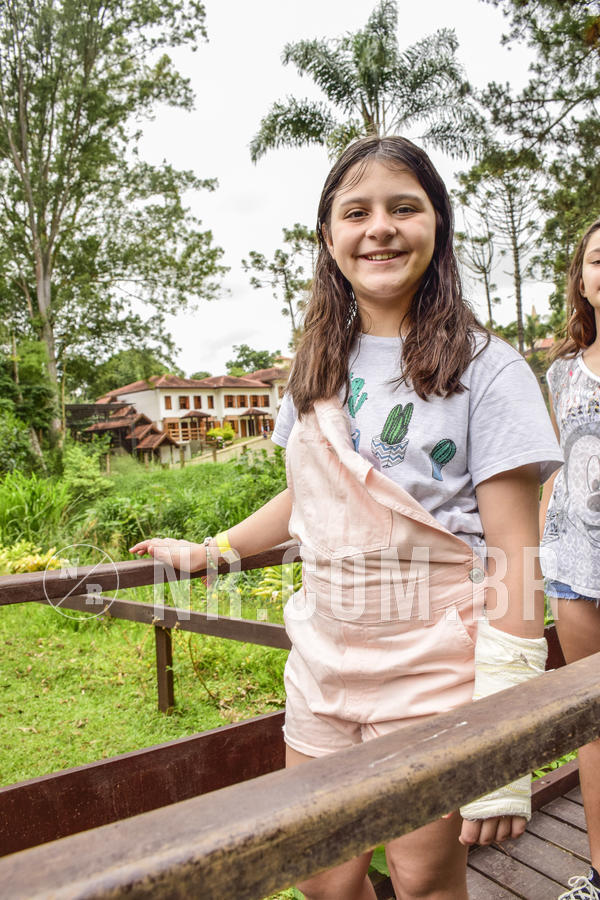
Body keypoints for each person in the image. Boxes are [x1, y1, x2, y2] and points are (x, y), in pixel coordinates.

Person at [131, 136, 562, 900]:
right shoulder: (309, 371)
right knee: (323, 879)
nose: (380, 228)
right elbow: (311, 496)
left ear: (439, 225)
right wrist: (214, 550)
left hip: (436, 664)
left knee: (424, 877)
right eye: (356, 212)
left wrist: (502, 747)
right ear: (329, 239)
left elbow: (515, 557)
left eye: (405, 207)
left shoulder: (487, 369)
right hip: (325, 656)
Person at [540, 219, 600, 900]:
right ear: (582, 278)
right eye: (597, 260)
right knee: (593, 724)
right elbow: (559, 470)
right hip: (577, 568)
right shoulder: (561, 372)